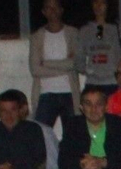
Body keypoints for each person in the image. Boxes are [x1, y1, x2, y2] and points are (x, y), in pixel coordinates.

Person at [29, 0, 79, 132]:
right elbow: (35, 70)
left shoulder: (73, 33)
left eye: (56, 7)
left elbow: (74, 63)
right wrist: (64, 67)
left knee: (73, 135)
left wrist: (46, 63)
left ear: (61, 10)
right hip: (46, 94)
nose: (53, 11)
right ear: (43, 12)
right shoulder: (37, 37)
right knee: (40, 133)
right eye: (49, 8)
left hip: (69, 93)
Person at [76, 0, 121, 98]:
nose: (98, 6)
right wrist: (88, 71)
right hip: (92, 83)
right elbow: (79, 58)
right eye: (95, 2)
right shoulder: (85, 31)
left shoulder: (116, 29)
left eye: (102, 3)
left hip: (112, 83)